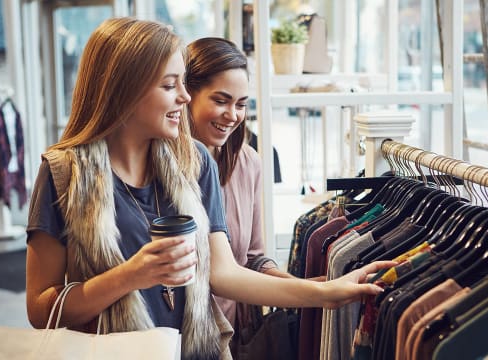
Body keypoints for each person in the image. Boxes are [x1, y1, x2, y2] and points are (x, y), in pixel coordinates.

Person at [25, 17, 389, 360]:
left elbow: (225, 274)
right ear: (124, 91)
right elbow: (41, 310)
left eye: (183, 83)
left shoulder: (194, 162)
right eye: (169, 85)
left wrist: (325, 293)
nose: (184, 97)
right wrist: (129, 276)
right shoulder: (63, 173)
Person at [185, 37, 298, 330]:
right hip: (173, 335)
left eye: (241, 104)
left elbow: (253, 259)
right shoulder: (159, 164)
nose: (233, 115)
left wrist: (305, 286)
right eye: (221, 101)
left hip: (230, 331)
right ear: (187, 94)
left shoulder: (247, 163)